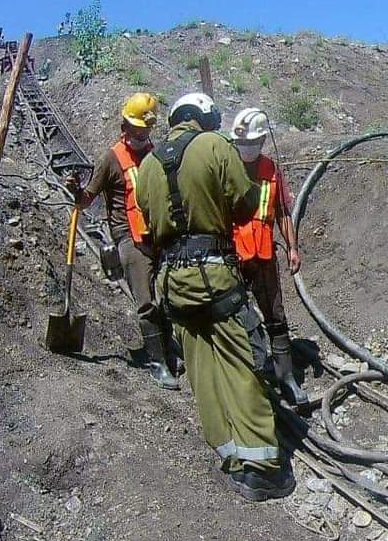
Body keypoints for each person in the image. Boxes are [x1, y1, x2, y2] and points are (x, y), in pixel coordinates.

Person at [134, 92, 294, 501]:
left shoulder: (148, 164)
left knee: (202, 369)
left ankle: (230, 456)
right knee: (243, 361)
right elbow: (244, 203)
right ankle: (261, 468)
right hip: (214, 275)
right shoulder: (215, 145)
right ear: (202, 118)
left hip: (171, 281)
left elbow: (149, 226)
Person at [67, 93, 179, 390]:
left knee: (166, 298)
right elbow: (87, 199)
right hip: (128, 236)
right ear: (124, 126)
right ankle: (158, 363)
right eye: (136, 129)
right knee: (146, 301)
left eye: (145, 129)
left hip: (158, 234)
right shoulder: (111, 158)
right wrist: (77, 193)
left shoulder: (156, 154)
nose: (141, 134)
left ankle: (170, 349)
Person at [228, 108, 307, 405]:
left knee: (276, 317)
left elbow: (283, 213)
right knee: (236, 315)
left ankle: (286, 377)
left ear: (262, 141)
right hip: (233, 257)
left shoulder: (272, 170)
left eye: (251, 143)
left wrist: (293, 248)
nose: (246, 149)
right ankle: (247, 377)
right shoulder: (226, 165)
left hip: (264, 256)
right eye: (242, 143)